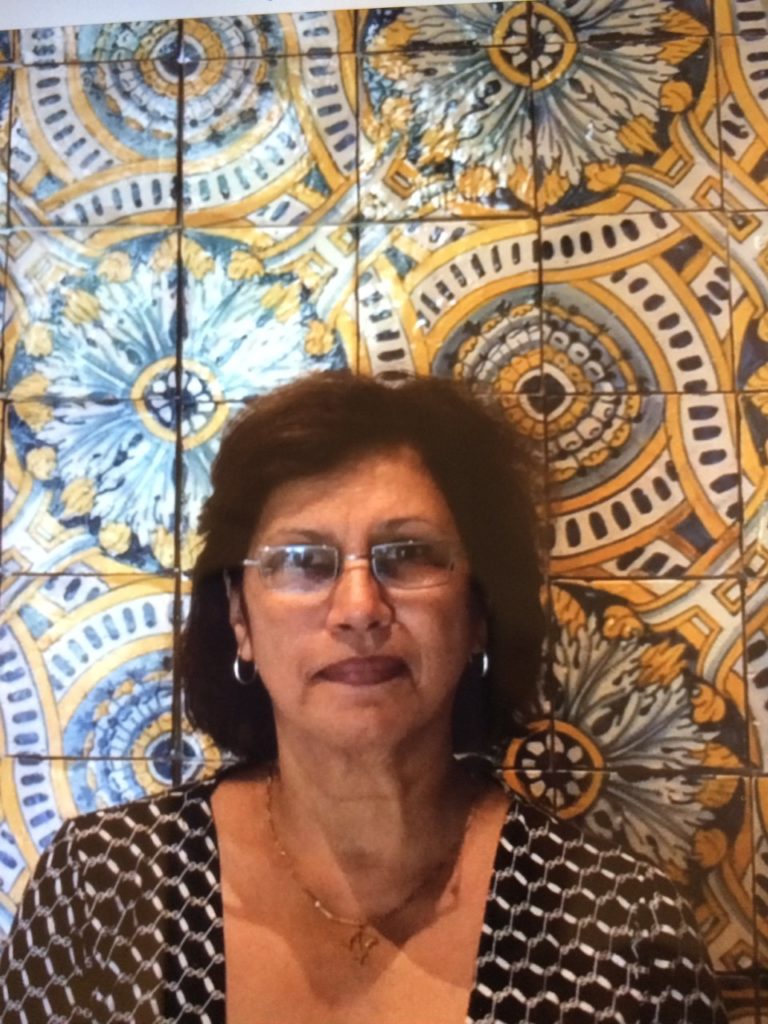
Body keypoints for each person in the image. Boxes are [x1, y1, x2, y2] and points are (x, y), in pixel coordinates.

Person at [1, 372, 726, 1024]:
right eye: (302, 562)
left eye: (407, 554)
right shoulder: (102, 888)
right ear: (240, 619)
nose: (358, 608)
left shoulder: (621, 932)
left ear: (478, 611)